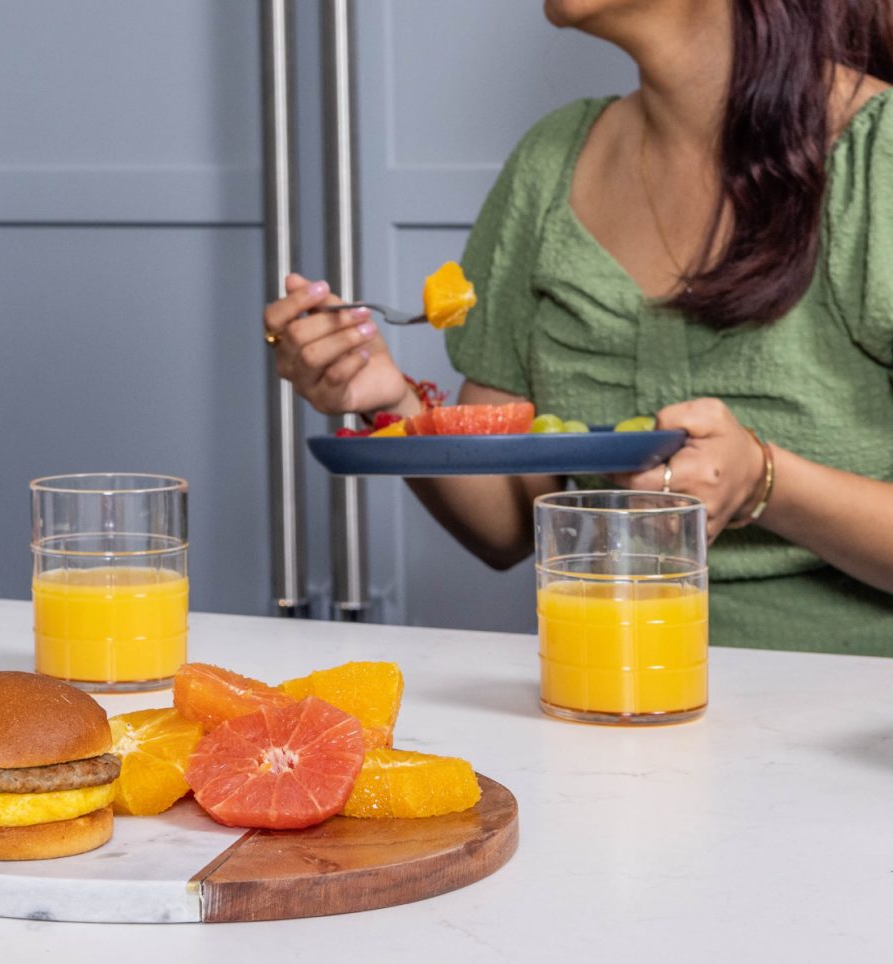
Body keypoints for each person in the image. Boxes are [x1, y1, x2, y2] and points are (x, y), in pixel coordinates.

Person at [263, 0, 893, 655]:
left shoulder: (882, 157)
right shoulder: (550, 161)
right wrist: (392, 403)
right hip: (597, 688)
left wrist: (765, 480)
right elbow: (506, 526)